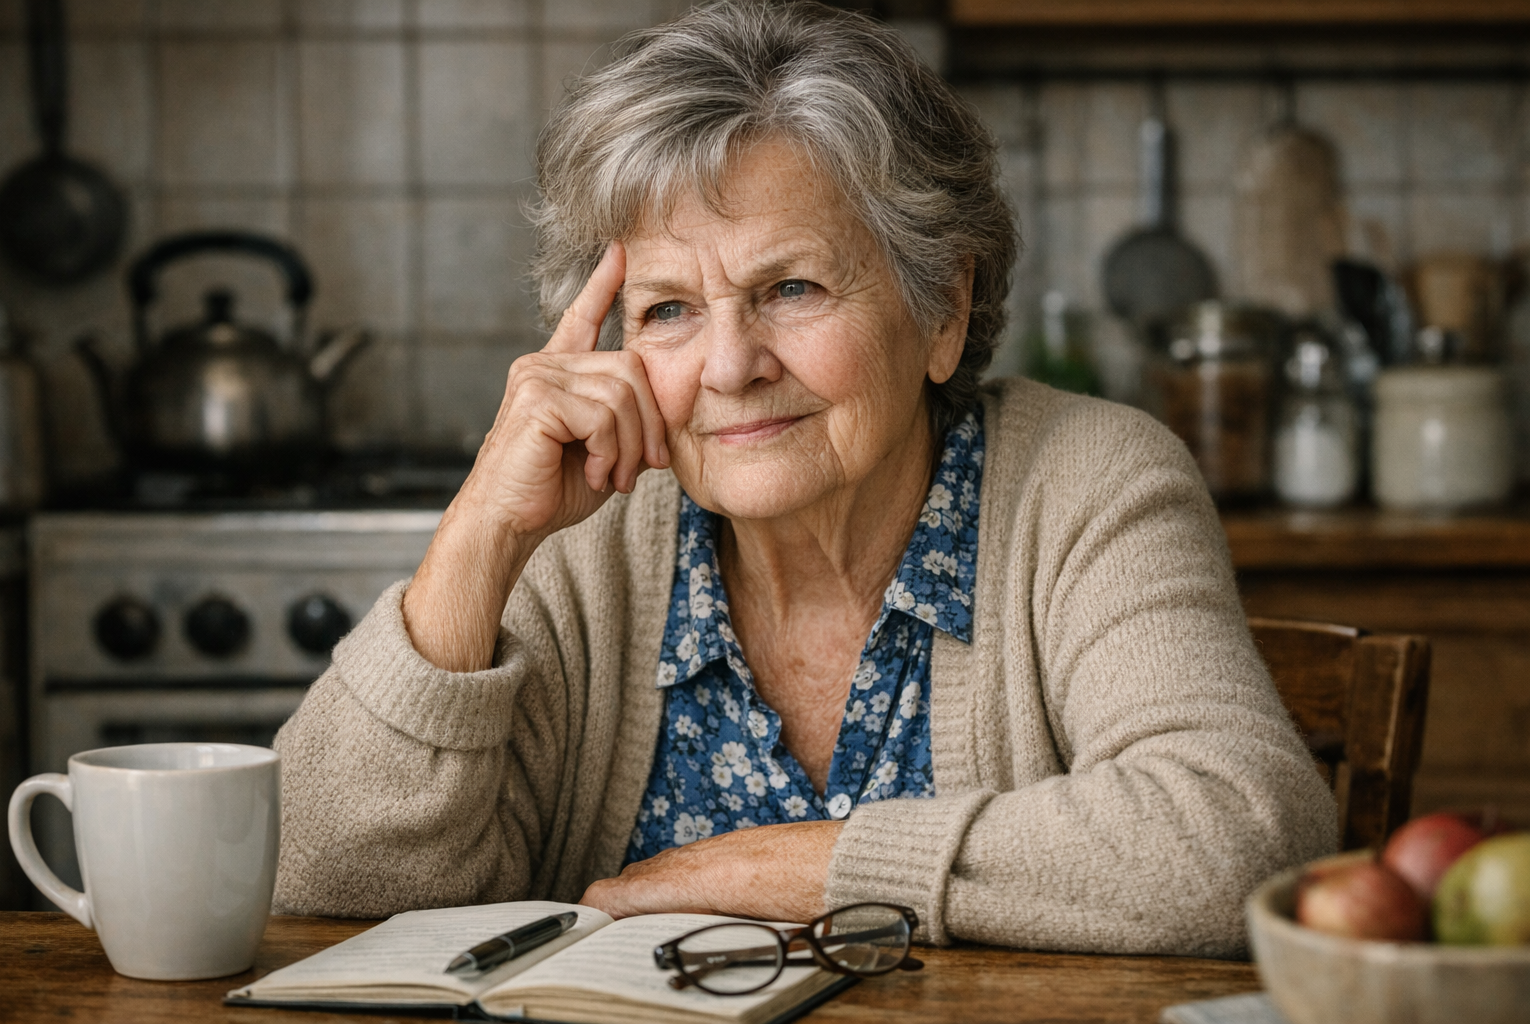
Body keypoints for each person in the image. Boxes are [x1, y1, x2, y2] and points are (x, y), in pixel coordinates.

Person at [273, 0, 1334, 957]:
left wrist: (796, 871)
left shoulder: (1086, 484)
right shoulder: (586, 535)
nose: (731, 366)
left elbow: (1238, 839)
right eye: (668, 310)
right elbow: (317, 880)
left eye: (792, 287)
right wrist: (481, 535)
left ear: (943, 308)